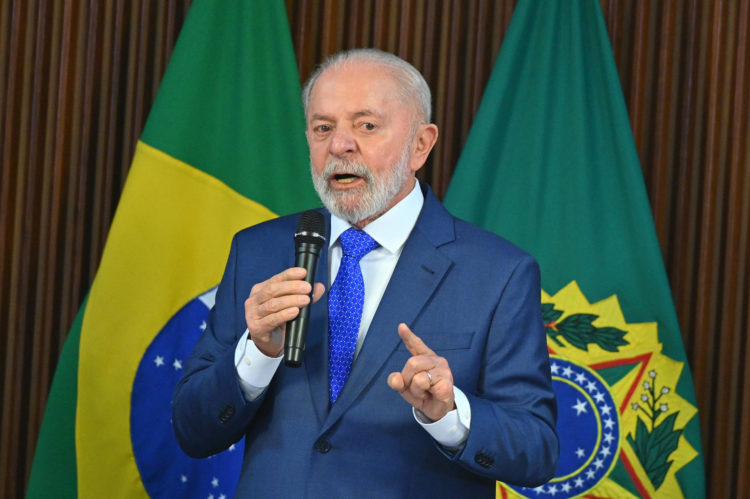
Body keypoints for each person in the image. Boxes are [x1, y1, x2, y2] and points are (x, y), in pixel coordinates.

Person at [173, 48, 558, 497]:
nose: (339, 145)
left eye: (366, 125)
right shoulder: (258, 251)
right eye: (323, 128)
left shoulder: (498, 273)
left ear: (421, 144)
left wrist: (451, 415)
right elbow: (192, 430)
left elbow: (538, 450)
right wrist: (257, 354)